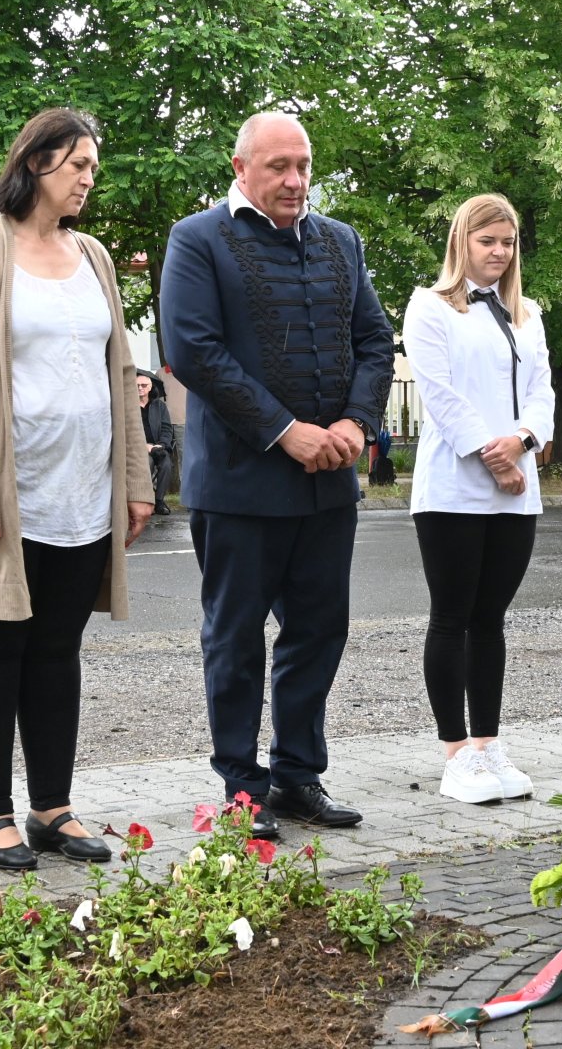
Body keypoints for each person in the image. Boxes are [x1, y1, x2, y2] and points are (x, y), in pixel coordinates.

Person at [0, 107, 154, 872]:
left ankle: (51, 807)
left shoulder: (94, 256)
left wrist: (135, 480)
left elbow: (123, 372)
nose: (88, 178)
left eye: (92, 166)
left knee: (57, 649)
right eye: (78, 164)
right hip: (3, 490)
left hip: (82, 487)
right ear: (38, 162)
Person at [159, 110, 394, 837]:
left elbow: (375, 341)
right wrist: (286, 433)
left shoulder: (340, 241)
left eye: (303, 165)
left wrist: (356, 424)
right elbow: (193, 351)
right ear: (241, 169)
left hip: (328, 483)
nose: (295, 180)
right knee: (233, 638)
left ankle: (297, 776)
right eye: (278, 167)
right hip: (237, 483)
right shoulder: (197, 239)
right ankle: (240, 785)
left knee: (319, 632)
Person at [403, 194, 554, 804]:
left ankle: (489, 746)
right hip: (454, 488)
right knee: (452, 616)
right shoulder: (429, 307)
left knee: (490, 620)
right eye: (487, 241)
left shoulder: (528, 314)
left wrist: (521, 441)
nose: (498, 252)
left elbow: (540, 390)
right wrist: (492, 457)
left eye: (508, 242)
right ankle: (455, 754)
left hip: (518, 487)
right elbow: (439, 394)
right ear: (462, 242)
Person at [135, 371, 176, 516]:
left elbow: (166, 428)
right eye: (137, 385)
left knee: (166, 464)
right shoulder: (129, 406)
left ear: (150, 387)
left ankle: (159, 501)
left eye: (144, 385)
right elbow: (127, 430)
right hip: (138, 447)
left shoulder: (160, 406)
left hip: (158, 445)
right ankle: (146, 500)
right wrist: (143, 445)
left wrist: (162, 444)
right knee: (148, 463)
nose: (140, 388)